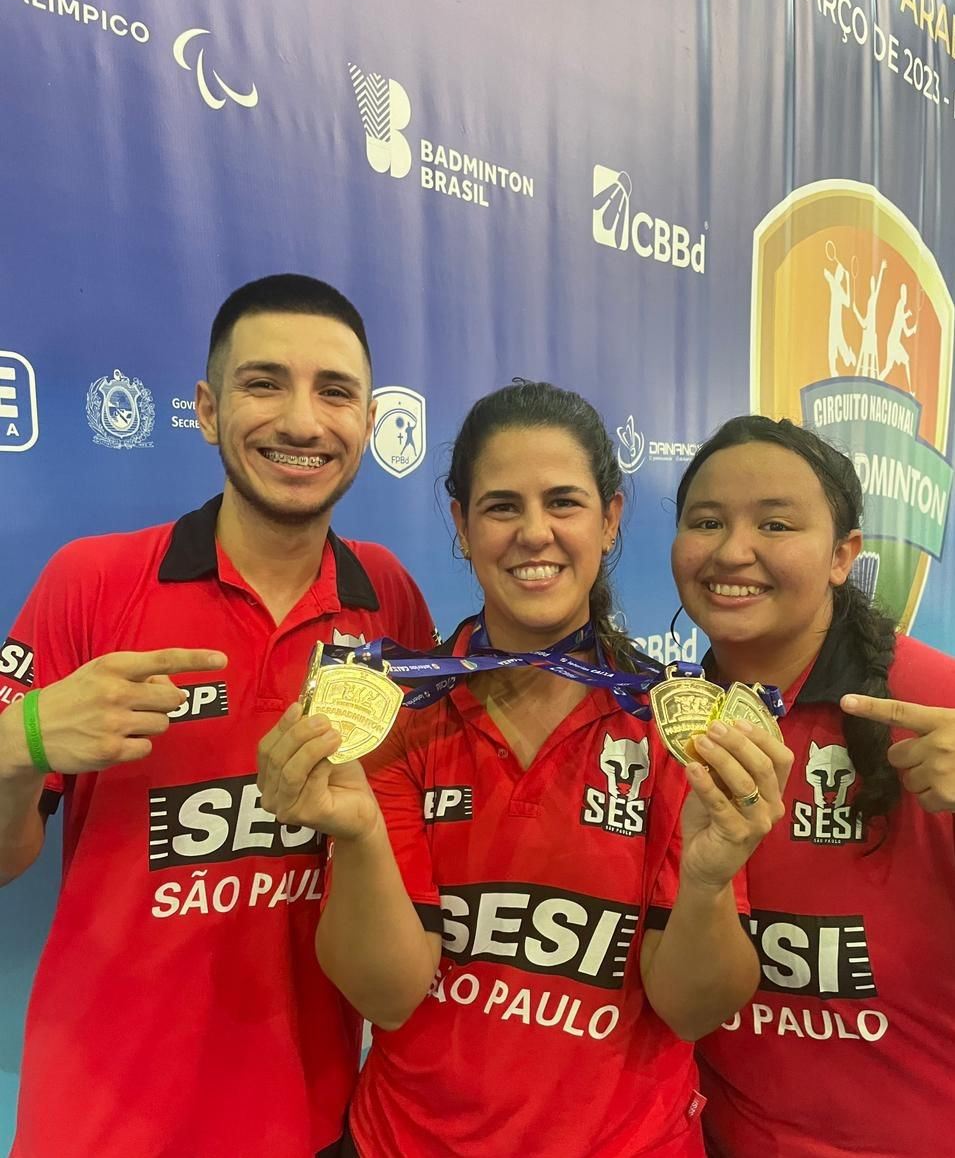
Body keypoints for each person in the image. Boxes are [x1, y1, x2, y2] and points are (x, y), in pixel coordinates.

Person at [257, 382, 793, 1157]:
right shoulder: (396, 712)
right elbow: (387, 993)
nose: (533, 533)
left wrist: (709, 880)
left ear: (609, 520)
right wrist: (360, 835)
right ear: (461, 525)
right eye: (501, 506)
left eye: (564, 503)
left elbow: (690, 1011)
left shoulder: (673, 723)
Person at [0, 274, 436, 1158]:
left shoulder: (389, 601)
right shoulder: (91, 582)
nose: (303, 422)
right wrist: (25, 739)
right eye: (263, 382)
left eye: (335, 392)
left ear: (366, 423)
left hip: (311, 1122)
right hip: (98, 1125)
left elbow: (400, 862)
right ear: (205, 409)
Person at [670, 415, 955, 1157]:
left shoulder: (929, 703)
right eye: (706, 521)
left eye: (774, 523)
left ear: (841, 555)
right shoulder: (666, 721)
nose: (732, 551)